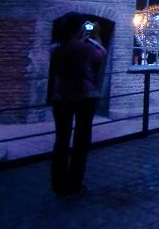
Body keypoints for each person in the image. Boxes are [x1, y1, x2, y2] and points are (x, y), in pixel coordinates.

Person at [47, 12, 107, 196]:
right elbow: (101, 55)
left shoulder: (55, 48)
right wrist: (95, 37)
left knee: (61, 140)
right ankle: (75, 184)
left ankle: (58, 184)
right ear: (77, 28)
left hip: (61, 95)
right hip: (83, 95)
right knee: (81, 139)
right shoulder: (84, 47)